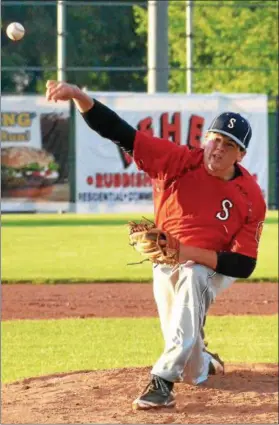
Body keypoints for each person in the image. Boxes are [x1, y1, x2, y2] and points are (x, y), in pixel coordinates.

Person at [46, 80, 266, 410]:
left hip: (213, 266)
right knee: (194, 371)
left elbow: (245, 263)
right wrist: (79, 96)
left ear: (241, 155)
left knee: (194, 275)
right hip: (166, 260)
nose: (219, 148)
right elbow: (120, 132)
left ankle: (162, 381)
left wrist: (187, 252)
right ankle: (202, 360)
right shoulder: (177, 160)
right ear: (206, 139)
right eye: (216, 139)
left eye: (229, 145)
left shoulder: (251, 198)